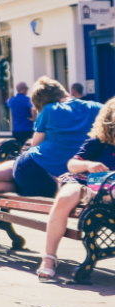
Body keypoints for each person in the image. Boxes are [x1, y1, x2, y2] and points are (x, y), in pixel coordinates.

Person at [0, 77, 102, 208]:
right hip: (60, 182)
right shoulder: (97, 108)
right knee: (18, 187)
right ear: (62, 90)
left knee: (19, 165)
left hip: (34, 167)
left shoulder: (50, 109)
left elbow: (35, 145)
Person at [37, 96, 115, 281]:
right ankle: (49, 258)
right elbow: (72, 165)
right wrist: (89, 164)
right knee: (65, 198)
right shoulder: (99, 142)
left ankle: (96, 196)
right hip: (83, 180)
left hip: (109, 187)